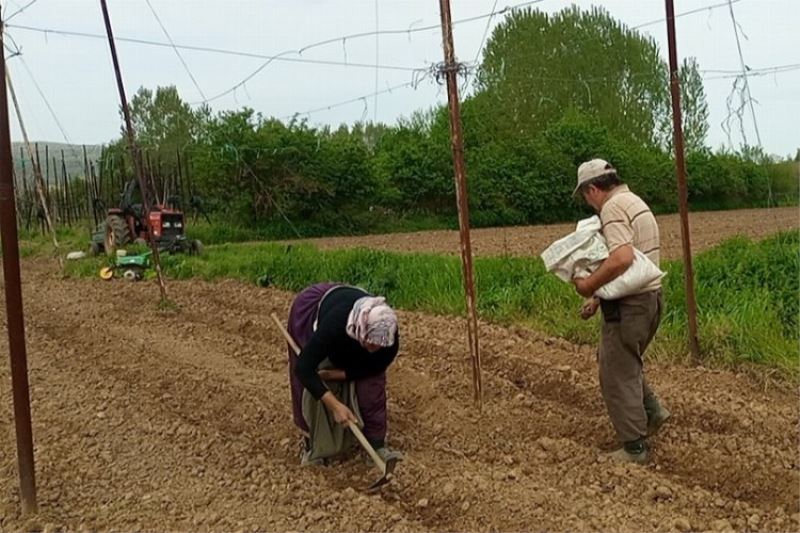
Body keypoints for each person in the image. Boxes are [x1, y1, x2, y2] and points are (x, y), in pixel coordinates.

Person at [571, 158, 671, 464]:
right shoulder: (634, 201)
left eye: (585, 196)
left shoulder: (612, 208)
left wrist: (588, 285)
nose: (588, 203)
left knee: (615, 374)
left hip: (629, 308)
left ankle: (634, 447)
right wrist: (599, 299)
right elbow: (637, 265)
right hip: (649, 300)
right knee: (622, 362)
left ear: (592, 189)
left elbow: (623, 258)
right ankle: (653, 412)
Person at [286, 283, 402, 465]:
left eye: (380, 345)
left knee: (372, 386)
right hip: (312, 312)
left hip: (348, 319)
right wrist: (335, 406)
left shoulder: (388, 337)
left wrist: (337, 375)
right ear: (361, 331)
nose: (375, 349)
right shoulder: (336, 325)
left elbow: (373, 368)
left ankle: (376, 446)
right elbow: (303, 368)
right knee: (310, 386)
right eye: (370, 344)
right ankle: (312, 446)